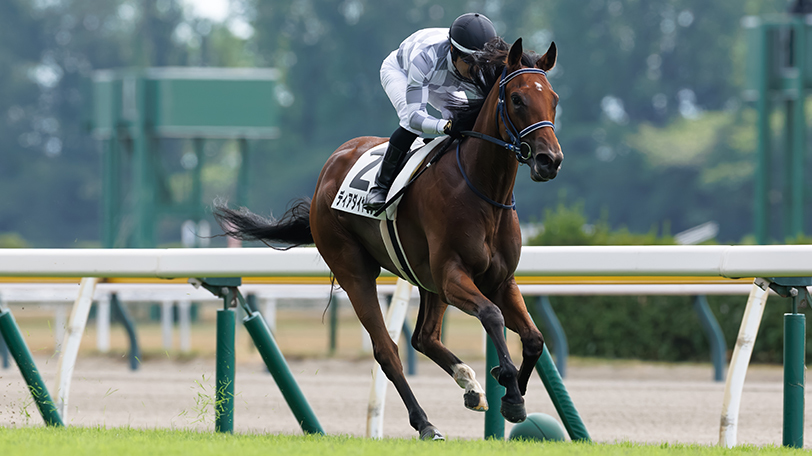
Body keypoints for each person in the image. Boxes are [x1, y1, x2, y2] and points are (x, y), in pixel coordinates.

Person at [364, 12, 498, 212]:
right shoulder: (425, 58)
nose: (477, 70)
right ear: (453, 50)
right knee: (409, 124)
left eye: (482, 63)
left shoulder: (478, 64)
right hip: (402, 71)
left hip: (447, 81)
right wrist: (446, 126)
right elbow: (416, 117)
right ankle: (380, 187)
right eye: (471, 62)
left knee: (465, 121)